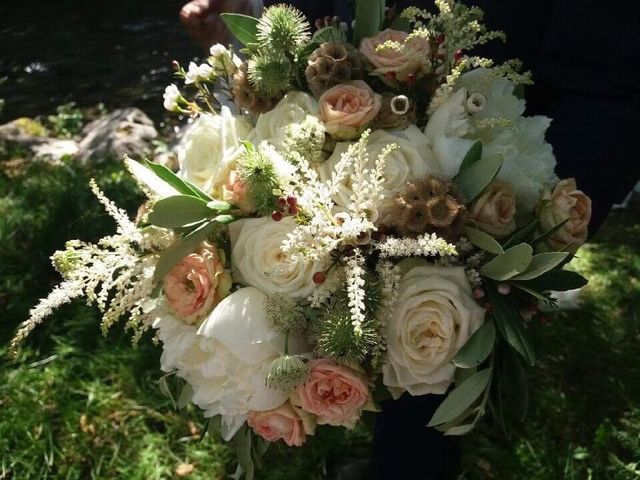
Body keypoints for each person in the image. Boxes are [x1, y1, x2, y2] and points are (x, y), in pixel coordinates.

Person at [179, 1, 640, 478]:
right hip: (336, 147)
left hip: (488, 161)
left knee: (433, 326)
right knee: (409, 337)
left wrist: (531, 230)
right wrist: (252, 40)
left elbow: (607, 88)